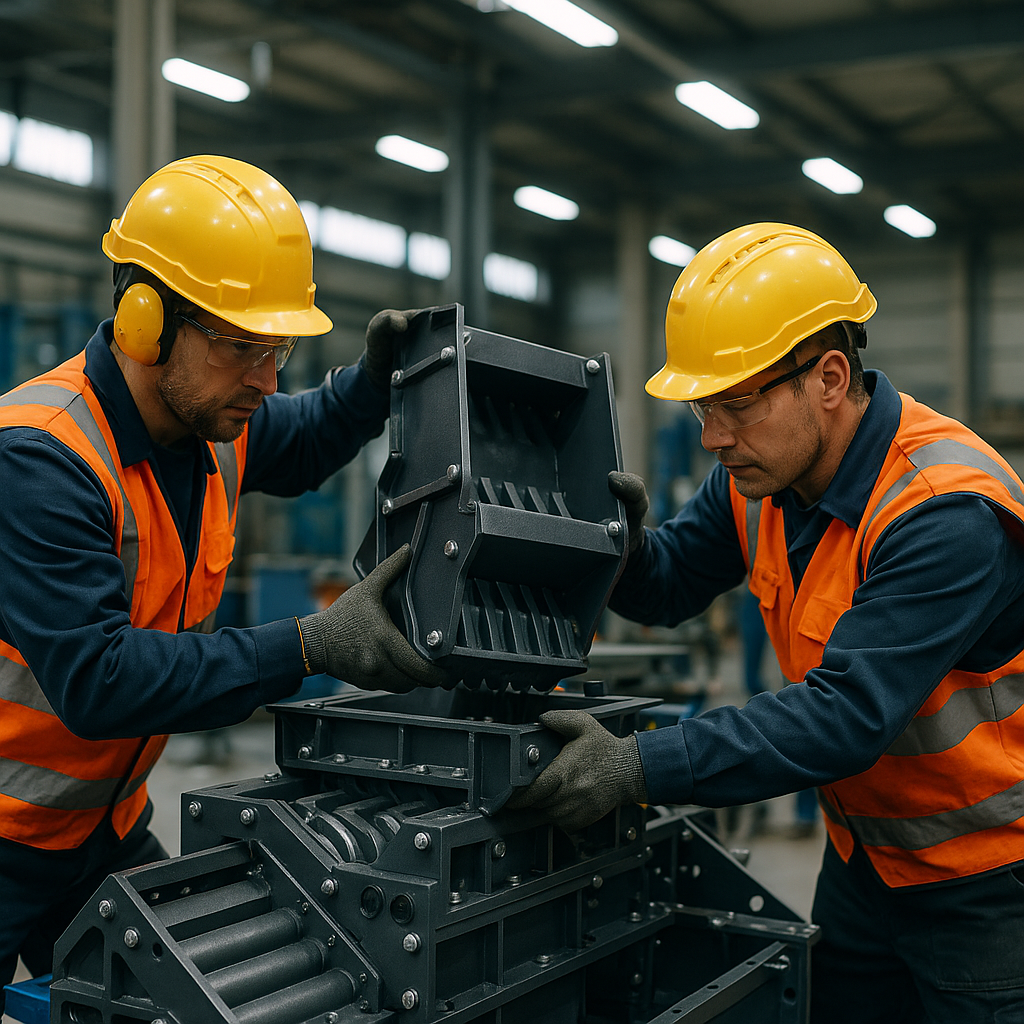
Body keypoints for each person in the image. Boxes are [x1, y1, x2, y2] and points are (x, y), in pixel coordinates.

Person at [507, 222, 1024, 1022]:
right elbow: (668, 584)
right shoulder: (763, 480)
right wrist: (606, 540)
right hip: (864, 862)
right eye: (706, 408)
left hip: (988, 884)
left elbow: (843, 716)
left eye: (738, 405)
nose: (715, 437)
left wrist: (638, 765)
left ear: (828, 376)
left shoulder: (943, 512)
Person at [0, 154, 443, 1007]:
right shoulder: (43, 458)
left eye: (277, 348)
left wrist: (371, 384)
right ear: (143, 319)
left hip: (101, 829)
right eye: (243, 348)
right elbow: (101, 682)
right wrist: (310, 643)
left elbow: (305, 435)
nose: (267, 379)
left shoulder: (213, 425)